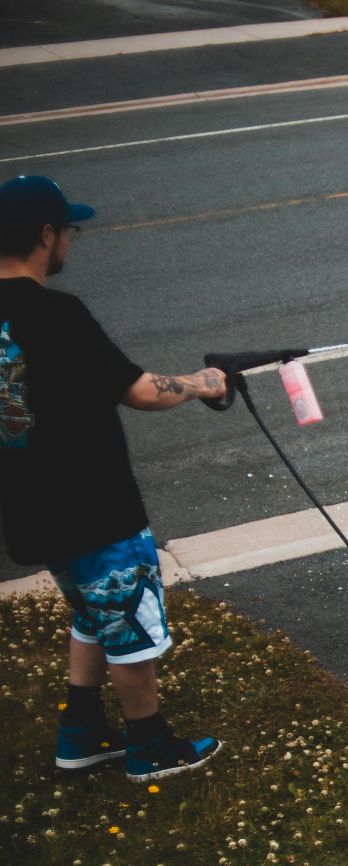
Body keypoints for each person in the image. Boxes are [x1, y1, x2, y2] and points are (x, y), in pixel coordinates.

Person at [0, 174, 230, 781]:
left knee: (90, 611)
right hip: (95, 503)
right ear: (47, 236)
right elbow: (141, 392)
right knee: (130, 622)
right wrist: (205, 383)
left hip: (29, 505)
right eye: (68, 231)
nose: (69, 243)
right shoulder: (57, 312)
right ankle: (149, 745)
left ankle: (80, 733)